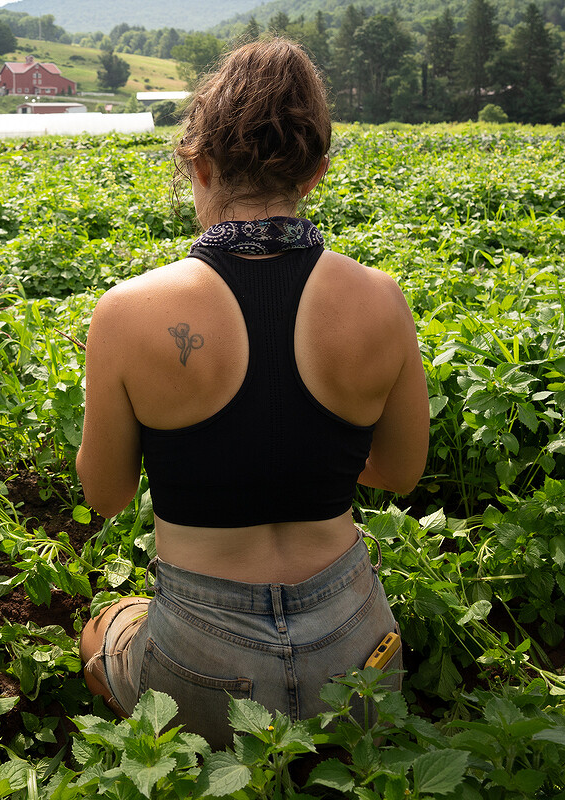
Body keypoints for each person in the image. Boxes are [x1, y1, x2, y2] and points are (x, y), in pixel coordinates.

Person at [75, 39, 429, 749]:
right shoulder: (382, 302)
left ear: (199, 165)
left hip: (206, 666)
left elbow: (105, 496)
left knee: (104, 627)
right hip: (357, 657)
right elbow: (398, 473)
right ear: (317, 173)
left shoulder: (128, 311)